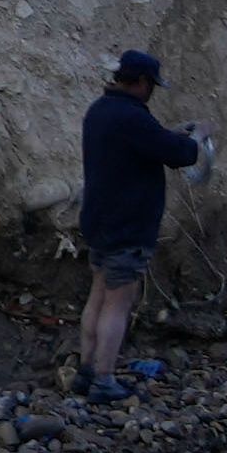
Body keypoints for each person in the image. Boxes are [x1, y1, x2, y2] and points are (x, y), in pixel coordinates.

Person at [75, 48, 205, 396]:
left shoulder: (99, 110)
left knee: (97, 294)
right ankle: (104, 379)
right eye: (152, 85)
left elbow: (146, 143)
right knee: (118, 303)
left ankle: (85, 370)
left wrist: (169, 134)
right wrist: (195, 139)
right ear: (143, 82)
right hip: (128, 226)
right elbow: (179, 154)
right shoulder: (132, 117)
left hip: (98, 221)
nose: (152, 92)